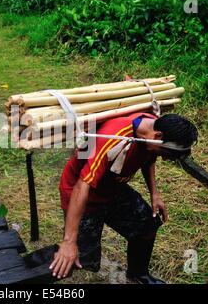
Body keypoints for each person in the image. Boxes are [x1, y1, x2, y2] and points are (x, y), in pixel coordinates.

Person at [49, 112, 198, 284]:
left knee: (147, 226)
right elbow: (82, 185)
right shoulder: (112, 138)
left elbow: (149, 159)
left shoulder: (151, 129)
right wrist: (69, 241)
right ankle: (27, 269)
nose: (164, 157)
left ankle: (138, 274)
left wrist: (154, 194)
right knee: (81, 257)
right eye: (166, 152)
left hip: (113, 189)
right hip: (83, 194)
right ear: (158, 137)